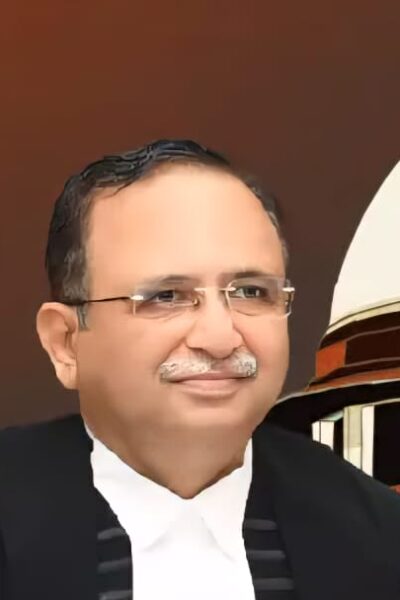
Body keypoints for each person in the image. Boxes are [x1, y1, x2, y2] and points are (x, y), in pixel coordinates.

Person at [0, 140, 399, 600]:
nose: (219, 337)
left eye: (250, 292)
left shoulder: (378, 539)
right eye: (166, 297)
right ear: (66, 343)